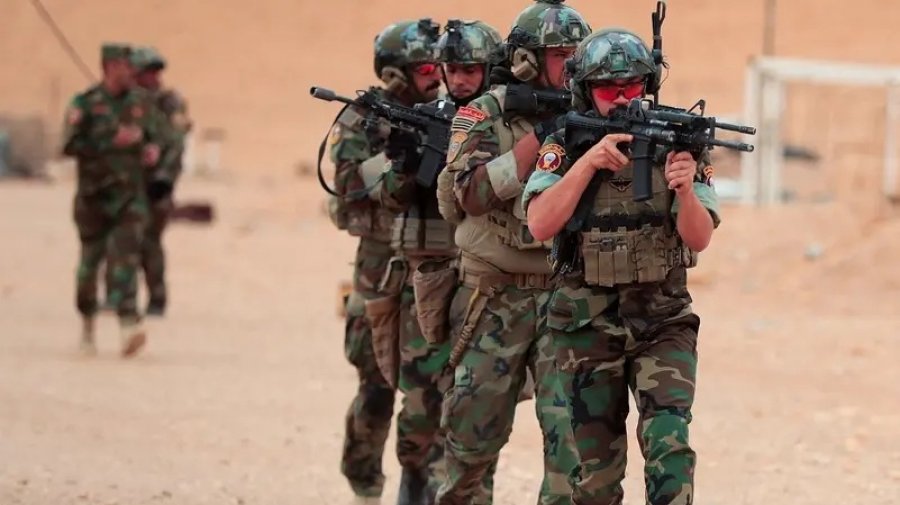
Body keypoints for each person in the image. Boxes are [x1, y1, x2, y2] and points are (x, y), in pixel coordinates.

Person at [522, 29, 720, 505]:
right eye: (608, 89)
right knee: (596, 478)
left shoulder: (679, 143)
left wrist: (685, 189)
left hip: (662, 320)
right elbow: (540, 223)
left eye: (632, 86)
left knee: (670, 450)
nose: (622, 98)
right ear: (584, 90)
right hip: (586, 327)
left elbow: (699, 238)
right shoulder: (564, 144)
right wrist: (587, 164)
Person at [433, 1, 590, 504]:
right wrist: (541, 139)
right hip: (493, 298)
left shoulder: (591, 115)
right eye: (562, 56)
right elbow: (471, 194)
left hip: (564, 298)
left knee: (572, 446)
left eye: (579, 55)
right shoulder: (485, 113)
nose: (574, 66)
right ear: (526, 61)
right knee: (470, 444)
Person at [375, 18, 504, 505]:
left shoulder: (502, 123)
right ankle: (414, 473)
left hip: (485, 280)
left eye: (472, 69)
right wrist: (405, 163)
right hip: (428, 280)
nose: (462, 79)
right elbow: (389, 198)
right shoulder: (424, 116)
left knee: (476, 406)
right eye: (453, 69)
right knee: (419, 404)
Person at [326, 19, 441, 505]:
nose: (437, 77)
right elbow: (347, 183)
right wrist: (401, 158)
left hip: (430, 266)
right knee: (374, 389)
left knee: (429, 389)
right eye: (426, 69)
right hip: (378, 268)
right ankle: (364, 483)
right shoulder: (363, 118)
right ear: (395, 74)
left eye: (439, 67)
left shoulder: (449, 113)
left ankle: (420, 483)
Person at [62, 43, 162, 357]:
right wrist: (109, 140)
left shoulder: (140, 104)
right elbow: (69, 145)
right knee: (89, 264)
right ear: (110, 67)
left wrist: (151, 150)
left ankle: (129, 325)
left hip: (129, 198)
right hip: (93, 198)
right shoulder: (85, 104)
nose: (132, 72)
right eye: (126, 65)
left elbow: (155, 137)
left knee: (126, 260)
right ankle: (87, 326)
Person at [104, 46, 191, 316]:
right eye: (146, 73)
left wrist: (164, 177)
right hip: (127, 183)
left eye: (154, 73)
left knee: (150, 243)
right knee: (119, 241)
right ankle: (117, 295)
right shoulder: (123, 102)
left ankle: (157, 299)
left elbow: (176, 143)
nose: (152, 78)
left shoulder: (168, 103)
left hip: (156, 186)